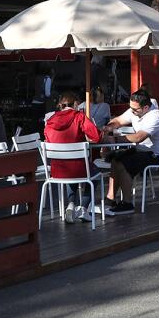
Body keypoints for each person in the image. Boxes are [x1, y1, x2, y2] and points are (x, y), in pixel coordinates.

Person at [102, 91, 159, 214]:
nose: (132, 111)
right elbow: (118, 120)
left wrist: (114, 138)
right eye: (130, 108)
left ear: (145, 107)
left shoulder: (155, 116)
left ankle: (127, 204)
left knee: (124, 164)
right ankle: (110, 199)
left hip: (158, 155)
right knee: (115, 158)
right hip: (143, 150)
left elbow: (139, 137)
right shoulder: (135, 109)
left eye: (135, 109)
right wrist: (109, 128)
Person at [44, 91, 102, 223]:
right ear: (75, 104)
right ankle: (84, 209)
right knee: (95, 174)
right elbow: (96, 137)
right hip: (78, 168)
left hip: (57, 171)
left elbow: (47, 140)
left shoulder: (50, 120)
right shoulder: (79, 116)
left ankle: (71, 204)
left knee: (72, 169)